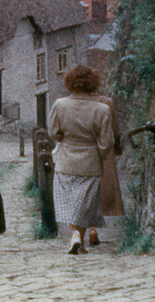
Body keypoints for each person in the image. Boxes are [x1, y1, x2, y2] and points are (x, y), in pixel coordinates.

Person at [49, 65, 114, 255]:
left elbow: (53, 132)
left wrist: (65, 139)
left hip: (66, 160)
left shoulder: (60, 105)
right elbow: (106, 141)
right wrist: (99, 155)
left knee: (70, 202)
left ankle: (75, 234)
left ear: (70, 82)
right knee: (84, 203)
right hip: (90, 162)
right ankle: (80, 240)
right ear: (92, 83)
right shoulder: (102, 109)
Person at [87, 91, 124, 246]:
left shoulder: (78, 103)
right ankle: (96, 227)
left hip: (86, 150)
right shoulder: (107, 102)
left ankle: (91, 228)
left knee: (87, 188)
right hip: (105, 150)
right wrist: (117, 147)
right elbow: (115, 130)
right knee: (103, 187)